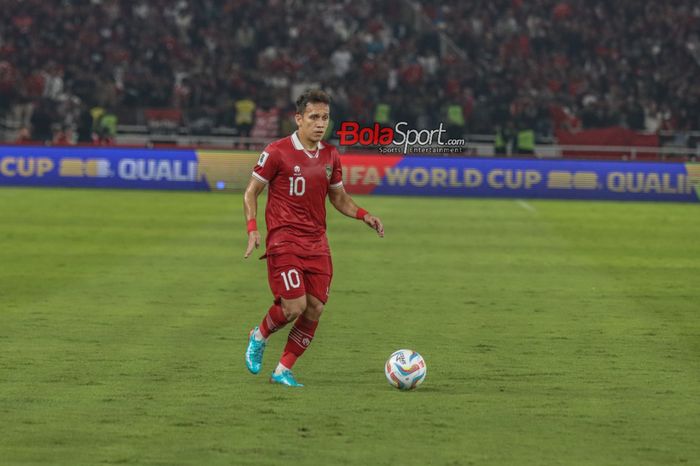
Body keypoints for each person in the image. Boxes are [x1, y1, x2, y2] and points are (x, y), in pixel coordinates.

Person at [243, 89, 384, 387]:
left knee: (315, 307)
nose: (321, 124)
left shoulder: (331, 155)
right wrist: (253, 228)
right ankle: (259, 336)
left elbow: (339, 197)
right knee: (293, 306)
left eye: (325, 117)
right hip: (284, 239)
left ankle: (282, 370)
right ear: (298, 119)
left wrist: (364, 215)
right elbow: (251, 192)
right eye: (314, 117)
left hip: (317, 242)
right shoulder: (276, 151)